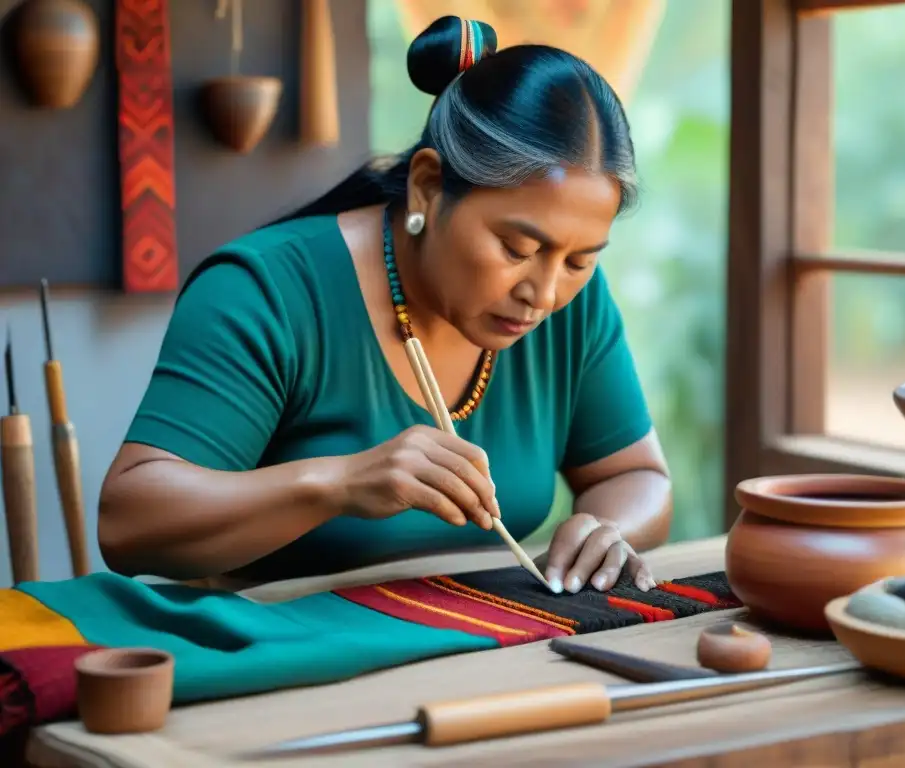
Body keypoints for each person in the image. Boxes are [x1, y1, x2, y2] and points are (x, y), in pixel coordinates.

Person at [98, 15, 672, 593]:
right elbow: (128, 522)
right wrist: (340, 483)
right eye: (517, 248)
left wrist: (607, 527)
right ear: (427, 186)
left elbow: (639, 475)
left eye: (579, 260)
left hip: (480, 649)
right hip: (279, 651)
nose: (544, 294)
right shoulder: (267, 290)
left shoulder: (573, 305)